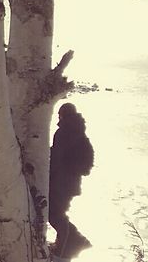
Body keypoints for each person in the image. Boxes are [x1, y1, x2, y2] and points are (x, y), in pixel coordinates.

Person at [49, 102, 94, 258]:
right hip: (72, 183)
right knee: (58, 214)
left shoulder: (62, 133)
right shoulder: (80, 133)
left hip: (59, 183)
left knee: (54, 215)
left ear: (62, 115)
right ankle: (76, 241)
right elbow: (86, 166)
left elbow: (56, 159)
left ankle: (63, 248)